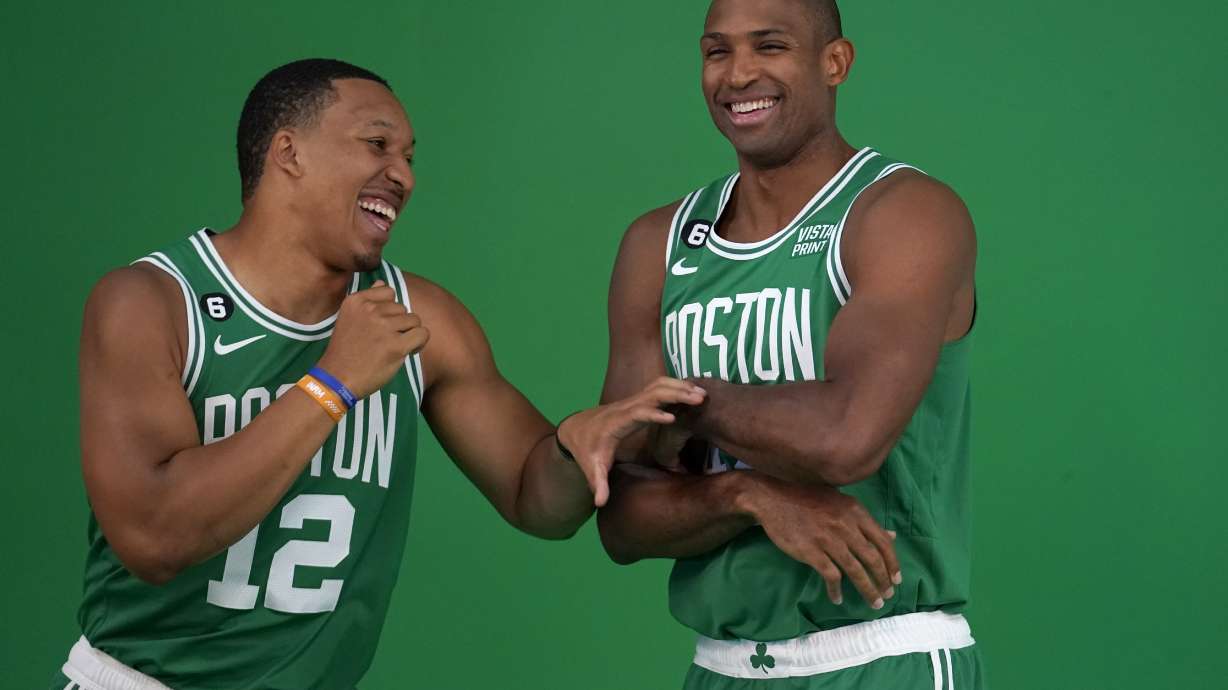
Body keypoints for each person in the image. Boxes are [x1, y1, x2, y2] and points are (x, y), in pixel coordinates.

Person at [51, 58, 703, 690]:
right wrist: (333, 383)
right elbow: (152, 537)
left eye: (410, 157)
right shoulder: (151, 302)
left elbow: (536, 497)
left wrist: (577, 447)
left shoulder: (422, 320)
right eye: (376, 145)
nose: (403, 176)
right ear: (289, 152)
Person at [596, 0, 983, 687]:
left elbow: (846, 438)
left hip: (881, 656)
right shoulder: (657, 244)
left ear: (834, 63)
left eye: (768, 47)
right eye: (717, 53)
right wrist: (748, 497)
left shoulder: (903, 213)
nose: (738, 74)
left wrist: (682, 406)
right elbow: (622, 517)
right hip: (720, 665)